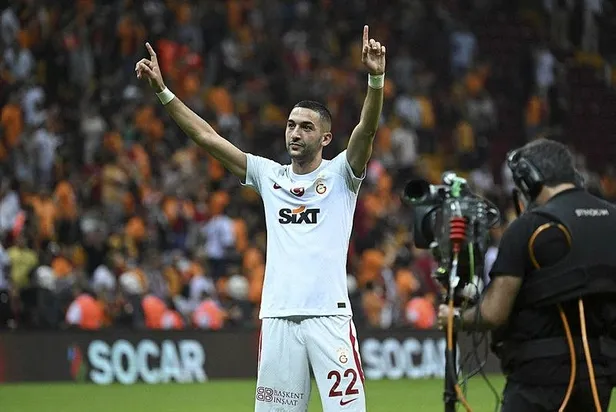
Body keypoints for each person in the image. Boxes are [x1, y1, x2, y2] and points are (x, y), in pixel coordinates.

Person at [136, 25, 387, 412]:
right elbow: (207, 138)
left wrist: (375, 80)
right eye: (291, 125)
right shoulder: (269, 176)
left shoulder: (341, 175)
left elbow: (366, 130)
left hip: (329, 317)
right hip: (278, 317)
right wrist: (163, 91)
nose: (295, 133)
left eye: (306, 127)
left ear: (325, 138)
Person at [437, 138, 616, 412]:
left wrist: (456, 318)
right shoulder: (612, 218)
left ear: (530, 179)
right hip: (597, 377)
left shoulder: (529, 227)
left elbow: (494, 313)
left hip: (537, 378)